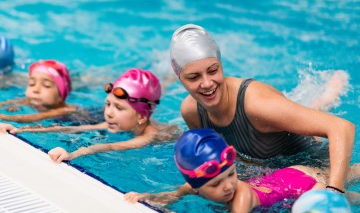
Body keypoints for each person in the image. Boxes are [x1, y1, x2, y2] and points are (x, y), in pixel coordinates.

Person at [168, 24, 355, 192]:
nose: (207, 83)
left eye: (213, 71)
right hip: (272, 171)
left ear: (221, 65)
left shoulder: (256, 105)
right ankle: (320, 102)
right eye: (194, 77)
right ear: (180, 78)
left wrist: (334, 191)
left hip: (312, 162)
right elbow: (216, 164)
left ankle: (328, 98)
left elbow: (342, 127)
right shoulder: (191, 111)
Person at [124, 129, 359, 212]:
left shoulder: (242, 196)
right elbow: (172, 196)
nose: (228, 186)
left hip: (305, 188)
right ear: (196, 185)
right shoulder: (193, 187)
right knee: (350, 176)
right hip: (289, 175)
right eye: (215, 184)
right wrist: (147, 198)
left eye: (230, 175)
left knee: (349, 196)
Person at [0, 68, 178, 162]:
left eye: (119, 107)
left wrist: (72, 154)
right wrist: (20, 130)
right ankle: (169, 79)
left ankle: (170, 78)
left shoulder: (149, 136)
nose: (108, 113)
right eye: (108, 104)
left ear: (141, 117)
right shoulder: (117, 121)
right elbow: (71, 128)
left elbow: (110, 147)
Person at [0, 59, 76, 122]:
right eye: (31, 84)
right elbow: (9, 102)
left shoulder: (64, 110)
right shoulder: (31, 101)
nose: (35, 90)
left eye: (46, 85)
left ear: (60, 96)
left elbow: (29, 118)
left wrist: (3, 116)